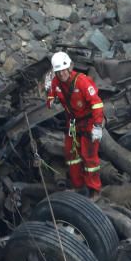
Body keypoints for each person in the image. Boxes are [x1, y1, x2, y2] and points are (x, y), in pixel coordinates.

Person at [46, 51, 104, 198]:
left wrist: (97, 127)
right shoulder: (56, 83)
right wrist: (50, 98)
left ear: (69, 68)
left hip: (89, 122)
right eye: (58, 72)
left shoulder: (82, 81)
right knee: (71, 154)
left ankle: (94, 190)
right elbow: (50, 99)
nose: (62, 74)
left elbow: (97, 104)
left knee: (89, 156)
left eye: (63, 70)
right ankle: (78, 186)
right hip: (73, 123)